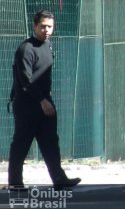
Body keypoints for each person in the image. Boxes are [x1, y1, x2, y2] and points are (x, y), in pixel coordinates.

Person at [7, 10, 81, 190]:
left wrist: (47, 99)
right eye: (42, 26)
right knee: (22, 143)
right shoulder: (26, 49)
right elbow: (26, 80)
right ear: (34, 26)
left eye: (49, 27)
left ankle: (59, 179)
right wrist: (42, 100)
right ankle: (15, 182)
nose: (46, 30)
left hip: (45, 103)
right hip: (27, 105)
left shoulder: (47, 45)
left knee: (50, 141)